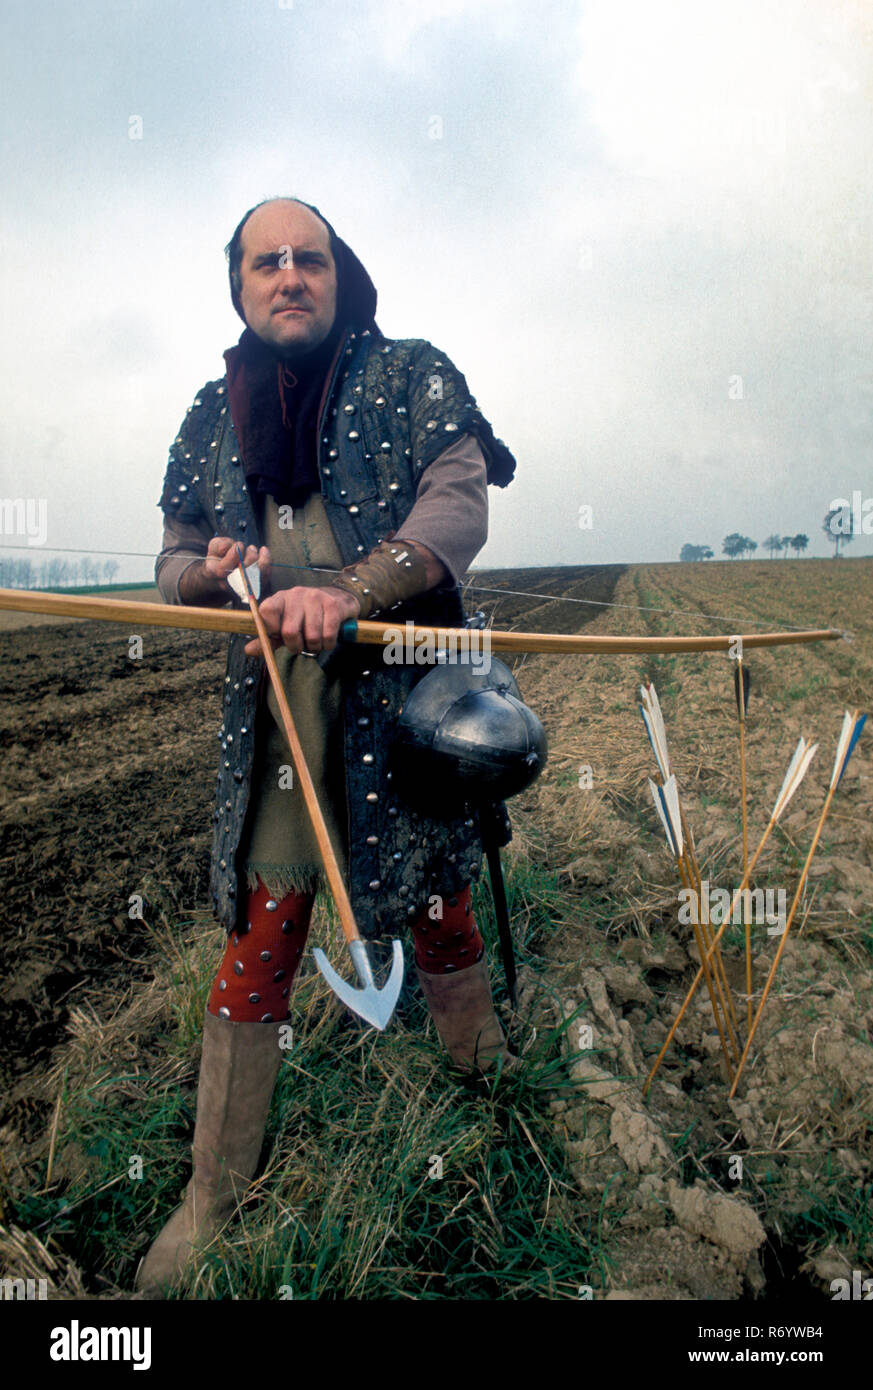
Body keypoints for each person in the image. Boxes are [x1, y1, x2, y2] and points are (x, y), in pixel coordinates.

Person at [136, 198, 517, 1296]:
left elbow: (459, 499)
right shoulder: (212, 411)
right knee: (266, 924)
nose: (290, 275)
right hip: (280, 709)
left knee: (439, 891)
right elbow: (170, 554)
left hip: (406, 692)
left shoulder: (409, 371)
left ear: (338, 274)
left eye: (309, 258)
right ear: (241, 286)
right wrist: (204, 576)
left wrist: (358, 588)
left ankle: (483, 1083)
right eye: (267, 262)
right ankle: (213, 1194)